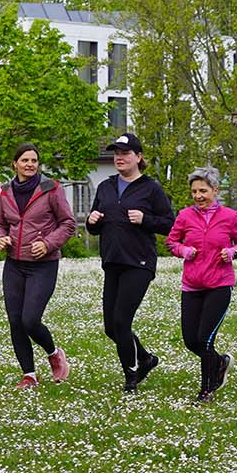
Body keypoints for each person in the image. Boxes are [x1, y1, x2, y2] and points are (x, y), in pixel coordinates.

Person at [86, 132, 176, 393]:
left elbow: (170, 224)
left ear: (139, 157)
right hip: (112, 261)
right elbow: (95, 228)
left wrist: (145, 219)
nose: (119, 158)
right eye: (116, 153)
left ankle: (131, 377)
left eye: (125, 153)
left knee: (122, 322)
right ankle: (146, 358)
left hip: (139, 262)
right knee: (110, 327)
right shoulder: (105, 186)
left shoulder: (151, 188)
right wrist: (92, 222)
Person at [0, 143, 77, 390]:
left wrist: (49, 244)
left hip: (43, 265)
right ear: (15, 164)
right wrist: (1, 239)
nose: (30, 164)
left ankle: (53, 353)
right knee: (15, 321)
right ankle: (29, 375)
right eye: (25, 160)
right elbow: (0, 224)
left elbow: (68, 224)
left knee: (30, 320)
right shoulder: (6, 191)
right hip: (14, 265)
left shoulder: (51, 189)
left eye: (34, 161)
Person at [166, 166, 237, 402]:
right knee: (190, 340)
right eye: (194, 191)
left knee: (205, 339)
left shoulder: (230, 217)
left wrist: (232, 252)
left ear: (215, 190)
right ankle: (220, 362)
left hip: (219, 286)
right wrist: (184, 250)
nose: (198, 196)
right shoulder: (184, 216)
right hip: (192, 285)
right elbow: (171, 243)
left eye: (203, 190)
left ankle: (206, 390)